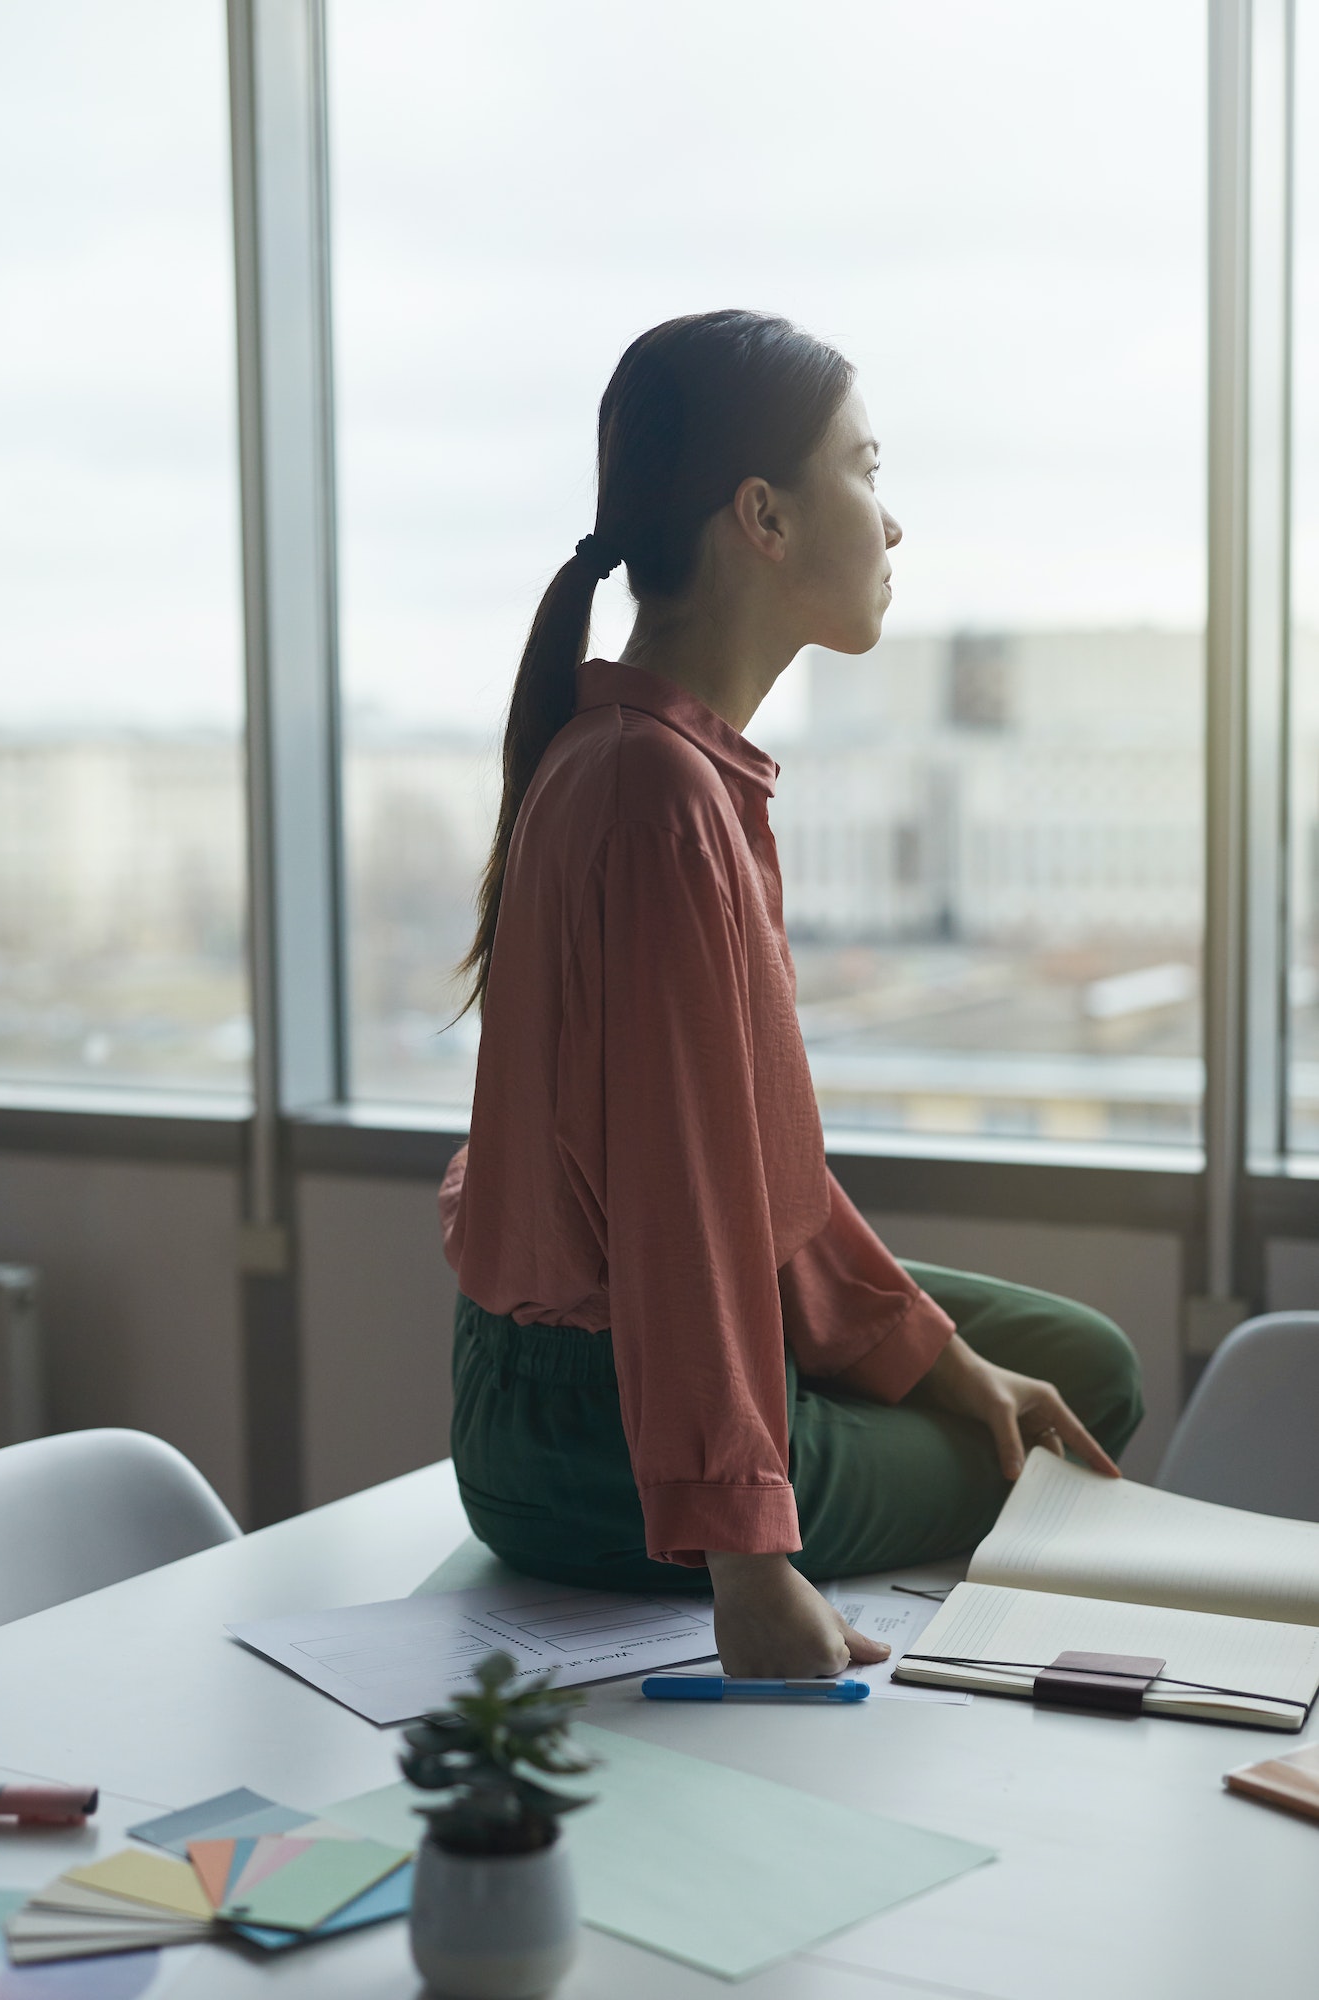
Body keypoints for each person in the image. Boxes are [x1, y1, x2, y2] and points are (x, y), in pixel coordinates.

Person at [439, 309, 1144, 1679]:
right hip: (584, 1434)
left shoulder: (671, 769)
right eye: (865, 471)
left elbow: (762, 1188)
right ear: (760, 514)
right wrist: (748, 1568)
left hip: (600, 1366)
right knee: (1080, 1411)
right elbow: (680, 1213)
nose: (889, 527)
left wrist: (947, 1367)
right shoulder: (653, 798)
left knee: (1069, 1363)